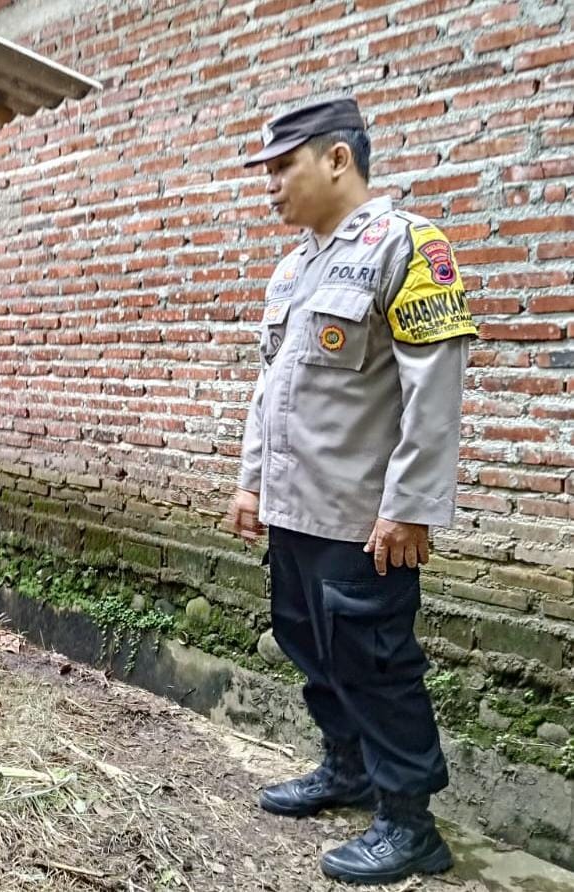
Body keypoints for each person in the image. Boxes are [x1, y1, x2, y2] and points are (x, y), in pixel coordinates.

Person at [225, 97, 476, 884]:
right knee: (310, 648)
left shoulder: (406, 247)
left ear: (337, 158)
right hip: (296, 512)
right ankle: (345, 770)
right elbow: (272, 388)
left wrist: (409, 507)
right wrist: (249, 484)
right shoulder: (295, 267)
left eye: (280, 166)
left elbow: (434, 392)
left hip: (365, 521)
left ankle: (409, 824)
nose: (269, 186)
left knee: (374, 662)